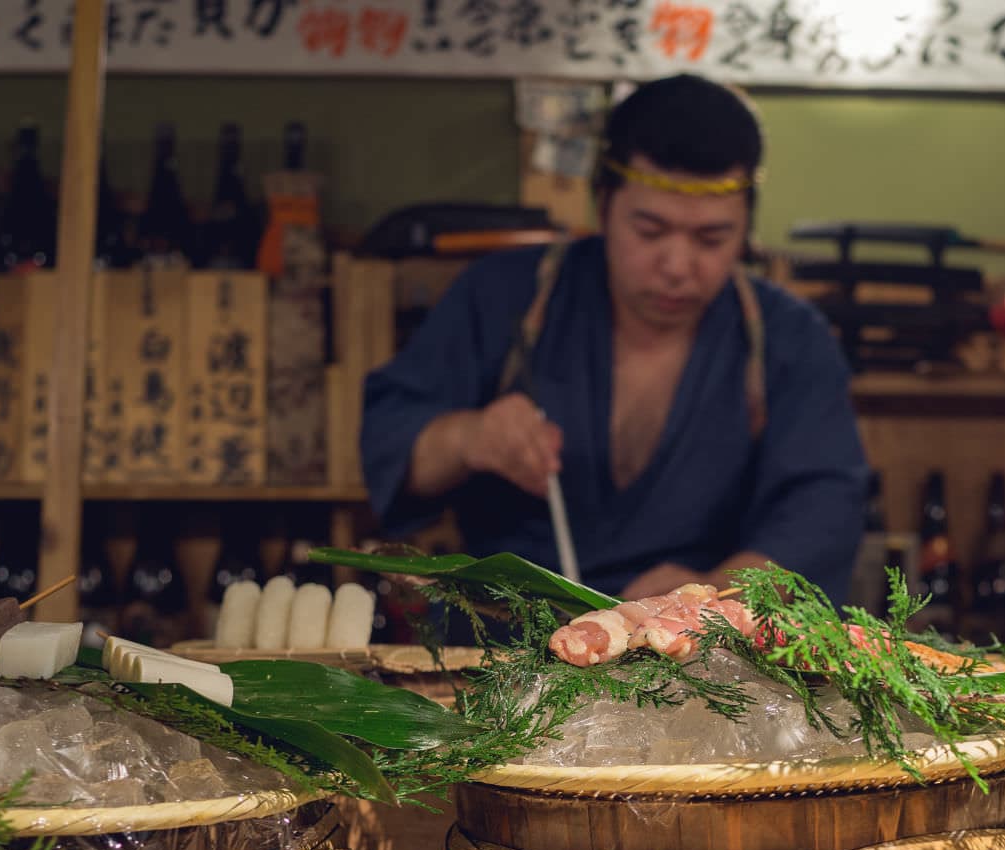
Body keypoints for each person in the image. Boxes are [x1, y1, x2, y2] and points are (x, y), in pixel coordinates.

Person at [358, 75, 870, 605]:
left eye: (711, 239)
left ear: (746, 229)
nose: (676, 266)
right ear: (602, 205)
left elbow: (823, 510)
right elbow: (392, 446)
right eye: (649, 231)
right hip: (501, 650)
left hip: (699, 660)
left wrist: (717, 592)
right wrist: (469, 437)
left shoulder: (788, 337)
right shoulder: (503, 296)